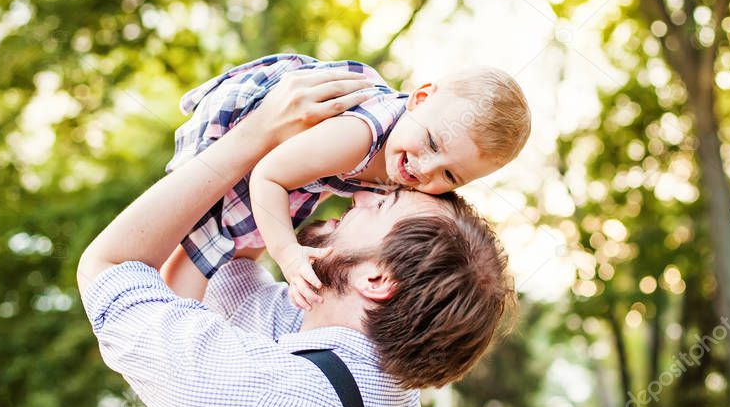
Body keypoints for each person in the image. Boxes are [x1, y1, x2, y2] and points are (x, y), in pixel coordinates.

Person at [76, 69, 518, 407]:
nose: (364, 197)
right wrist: (297, 163)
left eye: (384, 205)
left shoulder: (254, 391)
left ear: (377, 278)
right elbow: (231, 264)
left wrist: (257, 133)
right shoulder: (390, 397)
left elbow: (110, 266)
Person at [165, 53, 531, 309]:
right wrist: (288, 255)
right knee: (206, 248)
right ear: (419, 99)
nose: (426, 168)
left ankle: (217, 301)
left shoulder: (405, 166)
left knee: (245, 245)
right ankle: (159, 310)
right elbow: (269, 177)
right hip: (255, 135)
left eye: (450, 175)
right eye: (433, 142)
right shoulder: (357, 135)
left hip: (297, 171)